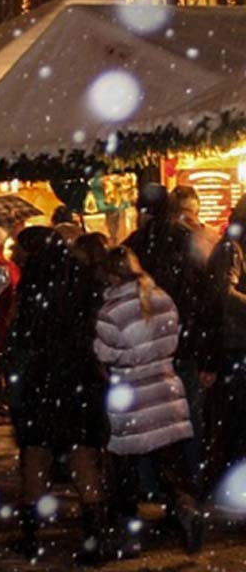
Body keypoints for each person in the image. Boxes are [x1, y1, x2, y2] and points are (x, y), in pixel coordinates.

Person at [5, 229, 109, 564]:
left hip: (44, 378)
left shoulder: (35, 283)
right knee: (82, 454)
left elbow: (23, 334)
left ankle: (31, 536)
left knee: (36, 455)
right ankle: (94, 537)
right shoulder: (83, 281)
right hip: (81, 377)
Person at [95, 245, 204, 558]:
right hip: (166, 388)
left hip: (131, 394)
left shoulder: (110, 311)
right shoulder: (163, 298)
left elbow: (105, 354)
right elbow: (175, 338)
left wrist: (118, 358)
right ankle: (186, 506)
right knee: (168, 463)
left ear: (112, 274)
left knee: (124, 468)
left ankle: (128, 534)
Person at [123, 183, 216, 481]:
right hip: (182, 345)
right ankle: (190, 481)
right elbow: (207, 300)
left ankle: (152, 482)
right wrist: (208, 355)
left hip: (147, 347)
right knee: (187, 418)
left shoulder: (135, 245)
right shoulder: (186, 242)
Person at [208, 194, 246, 472]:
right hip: (235, 343)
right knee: (235, 416)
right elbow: (224, 293)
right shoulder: (230, 249)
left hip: (237, 342)